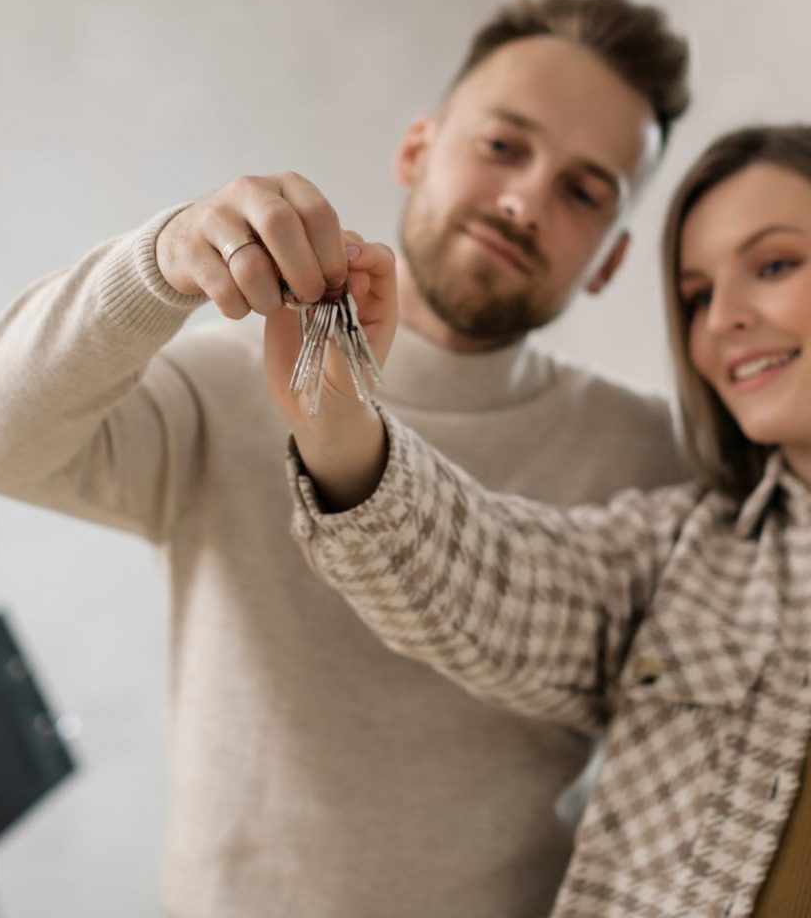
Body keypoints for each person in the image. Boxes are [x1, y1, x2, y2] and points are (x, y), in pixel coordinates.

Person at [0, 0, 691, 918]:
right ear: (418, 149)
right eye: (503, 145)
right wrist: (158, 263)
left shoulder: (653, 455)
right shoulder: (222, 382)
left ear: (611, 258)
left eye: (583, 191)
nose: (524, 198)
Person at [272, 124, 811, 916]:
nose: (723, 318)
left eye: (774, 265)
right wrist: (339, 422)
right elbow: (491, 580)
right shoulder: (682, 555)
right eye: (696, 295)